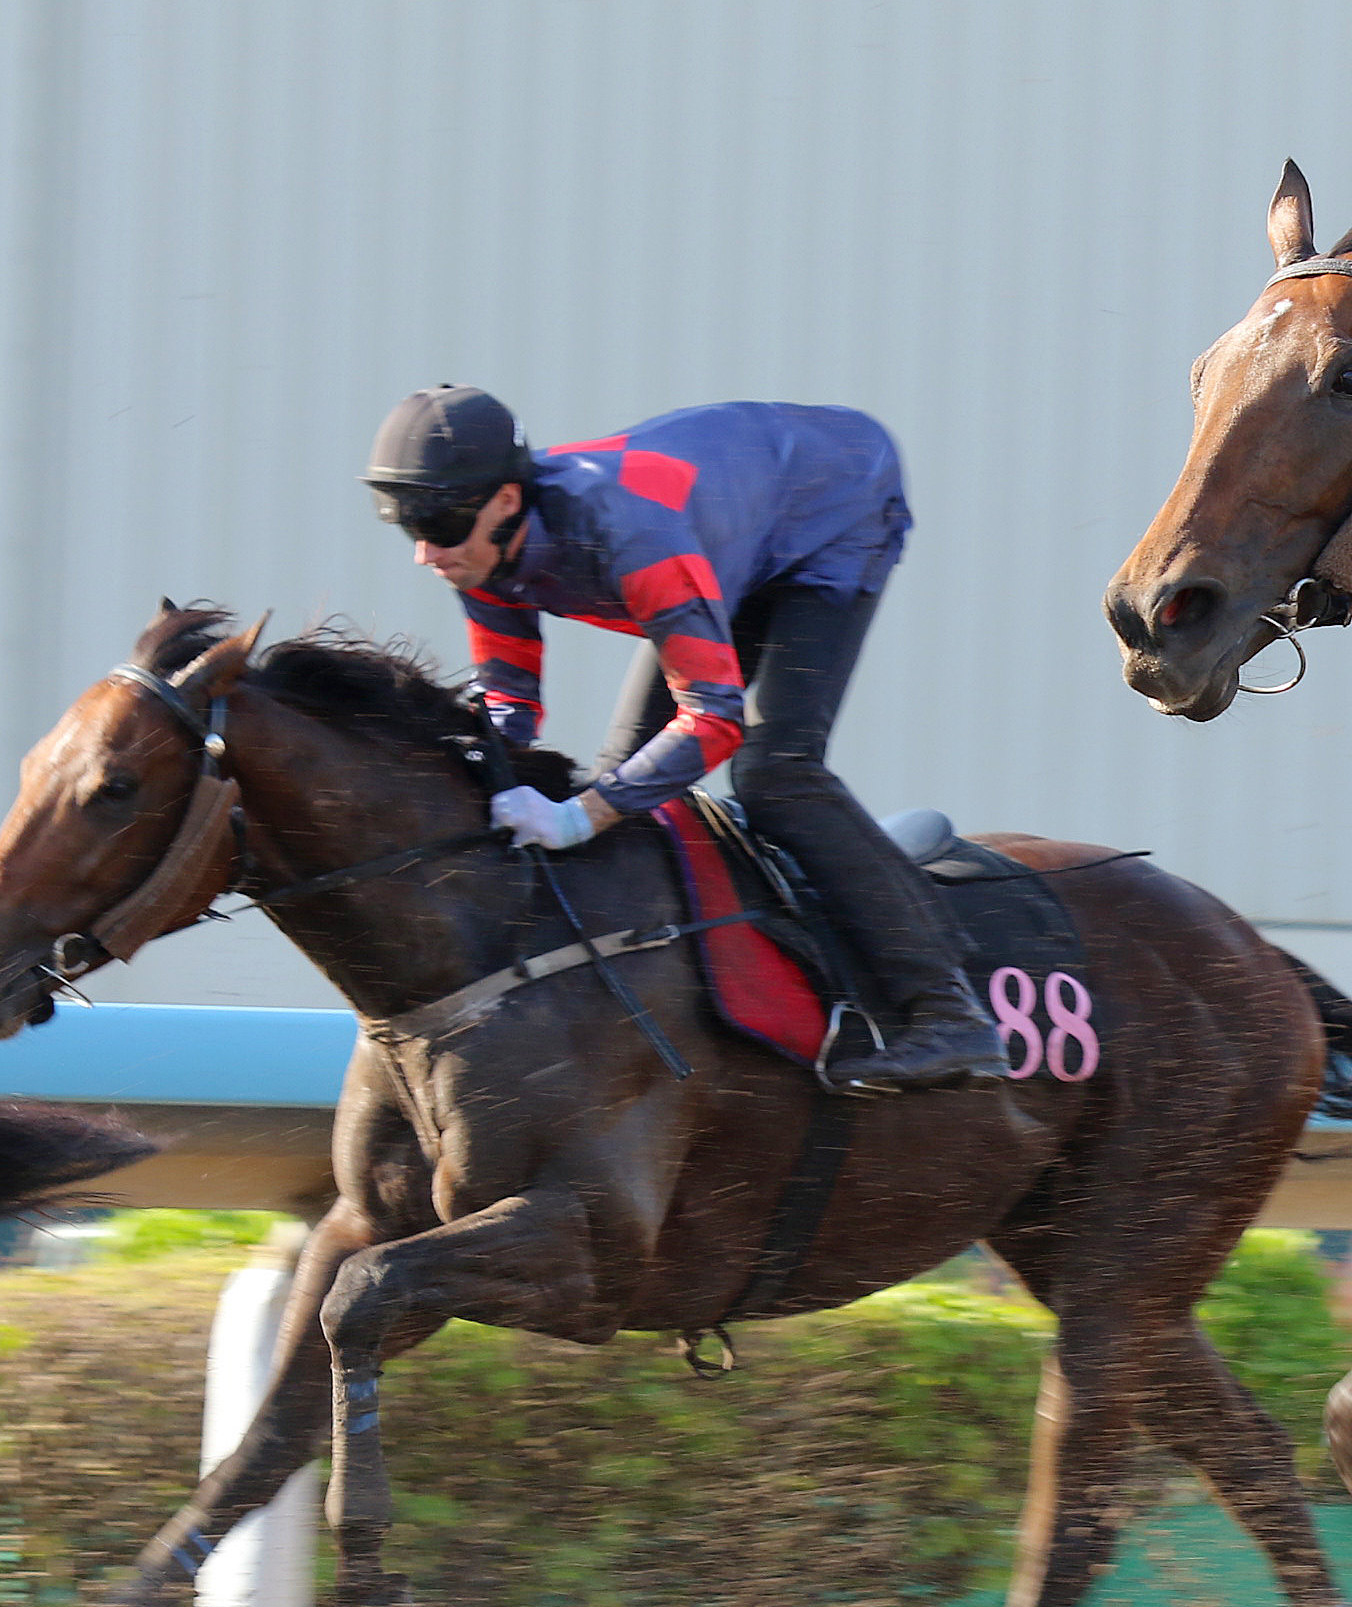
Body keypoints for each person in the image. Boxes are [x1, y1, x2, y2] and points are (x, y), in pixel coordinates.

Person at [362, 384, 1008, 1089]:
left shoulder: (628, 536)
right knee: (620, 775)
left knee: (774, 774)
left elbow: (714, 720)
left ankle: (949, 1013)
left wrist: (578, 817)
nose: (426, 552)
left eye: (439, 523)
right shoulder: (475, 548)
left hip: (835, 506)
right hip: (727, 532)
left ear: (508, 503)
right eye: (408, 524)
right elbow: (511, 709)